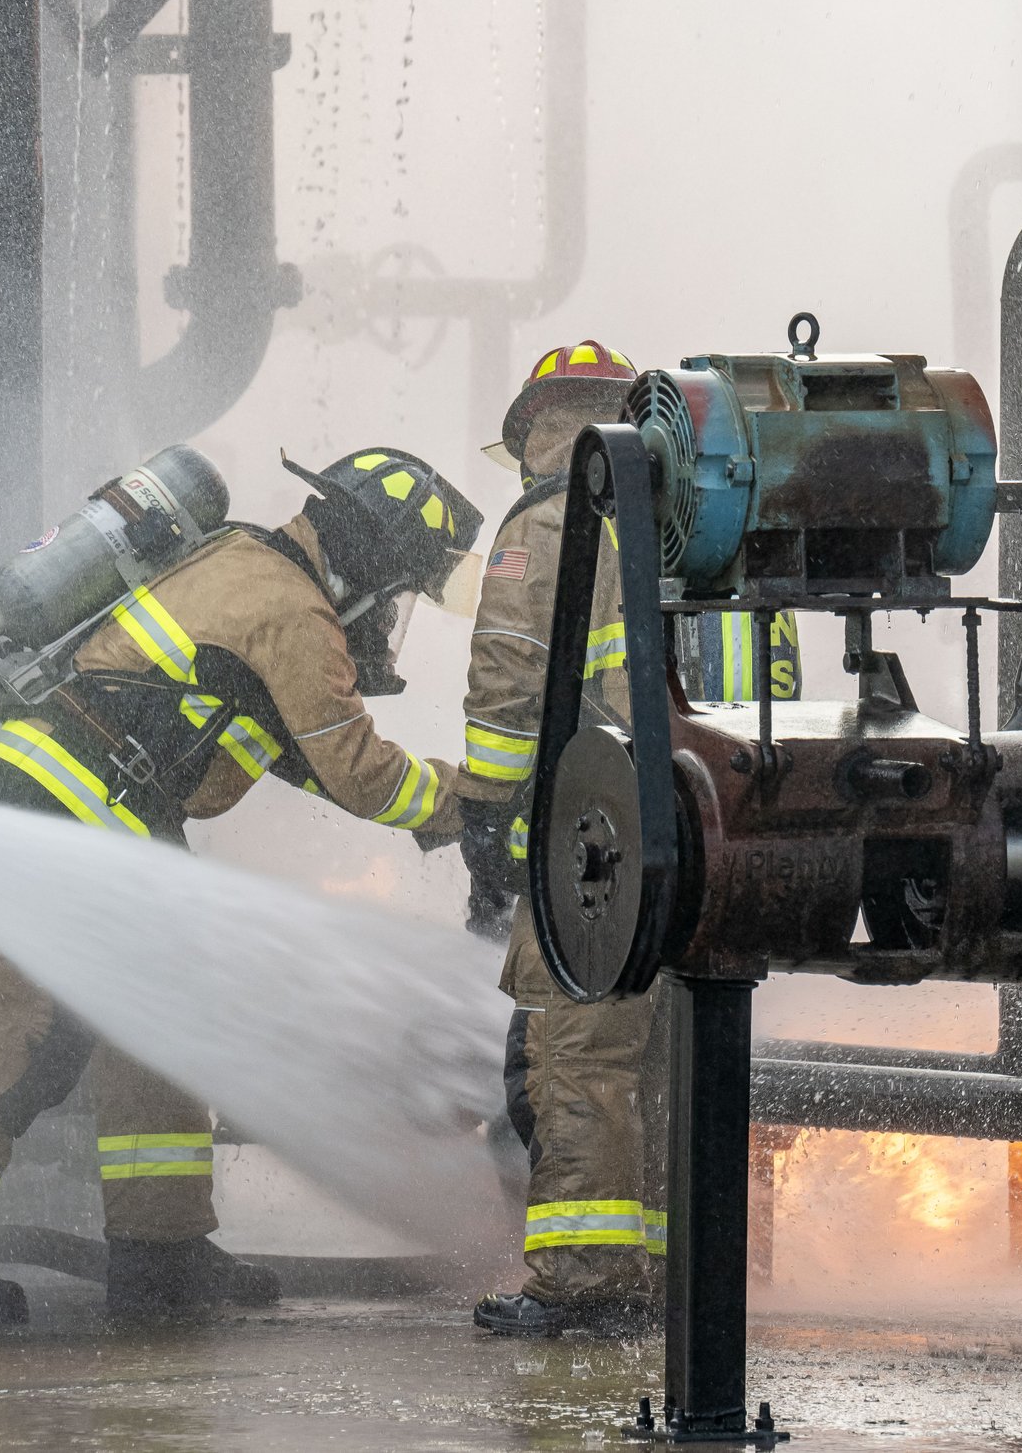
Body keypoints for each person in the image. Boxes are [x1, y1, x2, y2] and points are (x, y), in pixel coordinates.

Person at [0, 446, 482, 1326]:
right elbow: (354, 768)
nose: (394, 612)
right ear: (375, 558)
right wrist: (469, 807)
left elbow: (292, 747)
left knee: (167, 1022)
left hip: (97, 813)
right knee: (25, 1034)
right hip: (68, 810)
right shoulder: (293, 606)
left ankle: (161, 1251)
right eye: (403, 585)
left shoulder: (239, 559)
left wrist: (436, 809)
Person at [454, 341, 664, 1337]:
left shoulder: (549, 523)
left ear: (537, 427)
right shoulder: (679, 524)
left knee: (573, 1049)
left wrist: (486, 819)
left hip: (595, 832)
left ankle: (584, 1276)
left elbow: (507, 685)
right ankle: (663, 1264)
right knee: (652, 1057)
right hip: (706, 814)